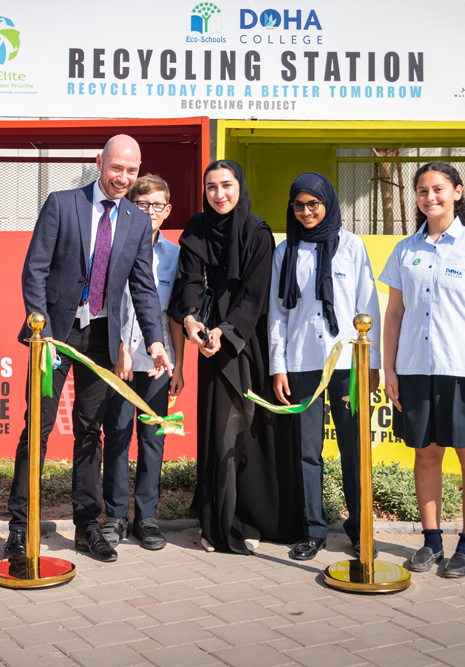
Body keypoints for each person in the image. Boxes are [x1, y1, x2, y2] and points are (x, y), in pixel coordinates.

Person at [5, 135, 172, 563]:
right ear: (100, 162)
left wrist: (154, 340)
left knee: (89, 431)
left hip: (100, 339)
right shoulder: (63, 203)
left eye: (131, 171)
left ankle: (87, 525)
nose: (123, 178)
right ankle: (20, 529)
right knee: (38, 430)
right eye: (117, 168)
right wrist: (40, 332)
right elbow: (34, 270)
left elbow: (144, 288)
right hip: (54, 338)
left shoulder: (136, 220)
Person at [379, 160, 465, 578]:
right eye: (422, 191)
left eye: (438, 189)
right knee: (426, 454)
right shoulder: (405, 249)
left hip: (464, 370)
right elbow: (395, 314)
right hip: (415, 370)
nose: (430, 197)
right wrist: (390, 371)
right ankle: (431, 540)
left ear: (456, 192)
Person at [174, 159, 302, 554]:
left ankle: (255, 518)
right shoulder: (196, 228)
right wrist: (192, 320)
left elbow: (254, 295)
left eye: (226, 185)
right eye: (211, 187)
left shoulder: (257, 231)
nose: (219, 194)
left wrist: (225, 333)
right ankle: (218, 523)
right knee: (219, 432)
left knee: (251, 430)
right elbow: (190, 282)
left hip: (247, 341)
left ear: (239, 186)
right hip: (209, 342)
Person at [268, 172, 381, 561]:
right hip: (302, 363)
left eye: (312, 204)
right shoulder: (286, 251)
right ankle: (313, 530)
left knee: (354, 448)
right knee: (307, 450)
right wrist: (278, 366)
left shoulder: (352, 247)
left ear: (327, 204)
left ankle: (359, 530)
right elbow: (278, 315)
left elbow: (368, 307)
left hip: (349, 361)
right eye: (298, 206)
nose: (305, 212)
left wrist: (373, 363)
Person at [100, 175, 186, 551]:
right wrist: (119, 346)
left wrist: (178, 364)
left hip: (157, 362)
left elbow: (174, 317)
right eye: (142, 204)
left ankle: (146, 518)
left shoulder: (175, 256)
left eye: (157, 205)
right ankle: (116, 516)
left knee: (152, 438)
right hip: (119, 359)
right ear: (130, 207)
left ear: (167, 211)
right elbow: (109, 303)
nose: (149, 212)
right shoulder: (114, 246)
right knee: (117, 435)